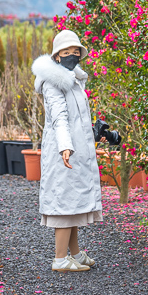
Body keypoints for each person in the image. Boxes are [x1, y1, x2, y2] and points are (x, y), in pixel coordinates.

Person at [31, 28, 103, 272]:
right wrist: (65, 146)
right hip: (63, 151)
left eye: (76, 51)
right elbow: (59, 117)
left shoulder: (74, 80)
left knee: (72, 201)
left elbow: (77, 119)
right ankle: (60, 259)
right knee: (63, 201)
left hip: (74, 149)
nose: (72, 55)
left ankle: (75, 254)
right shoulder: (54, 82)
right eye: (66, 51)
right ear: (56, 56)